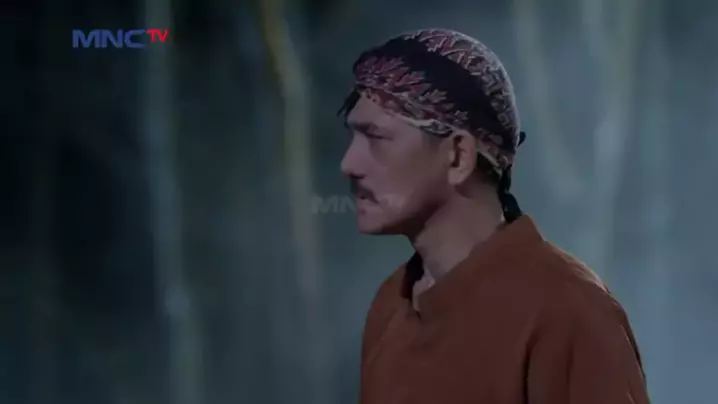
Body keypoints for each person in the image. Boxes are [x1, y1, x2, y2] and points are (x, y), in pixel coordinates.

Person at [338, 28, 650, 404]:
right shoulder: (392, 304)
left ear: (458, 155)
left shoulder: (567, 312)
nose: (349, 164)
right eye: (354, 138)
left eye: (376, 138)